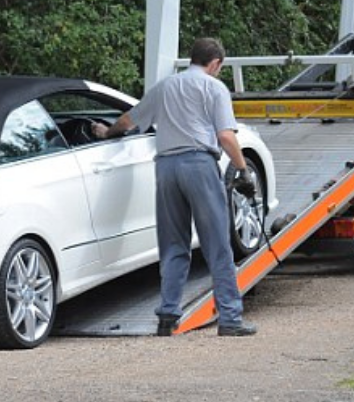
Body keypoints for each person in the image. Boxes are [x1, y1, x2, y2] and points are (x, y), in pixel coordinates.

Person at [93, 37, 258, 337]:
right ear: (215, 63)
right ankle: (231, 319)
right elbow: (226, 137)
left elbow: (129, 120)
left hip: (166, 168)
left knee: (172, 245)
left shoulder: (165, 87)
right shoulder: (214, 88)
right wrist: (244, 171)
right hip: (199, 165)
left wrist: (107, 133)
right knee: (217, 244)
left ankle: (168, 317)